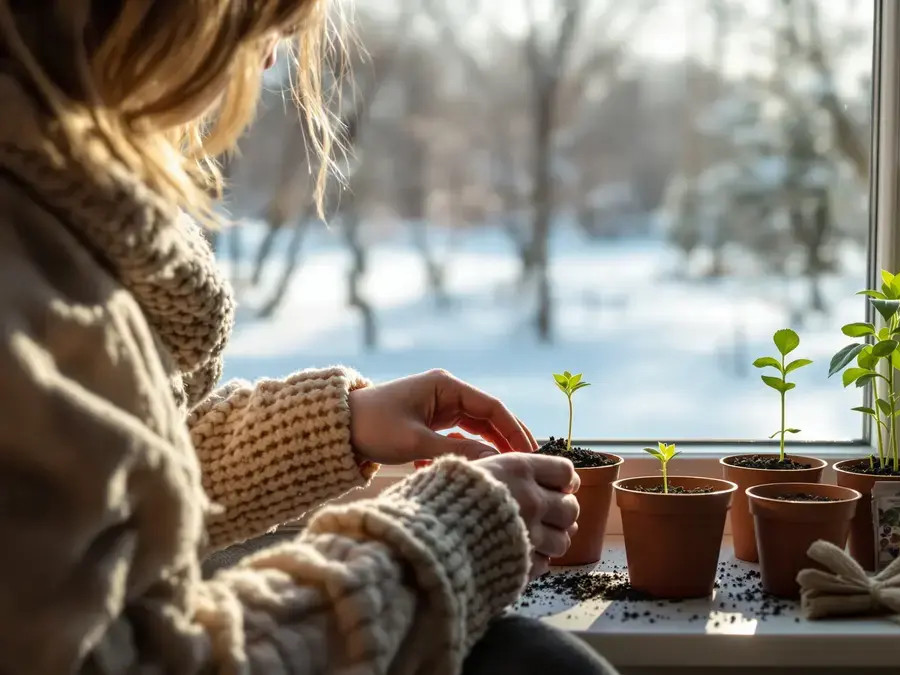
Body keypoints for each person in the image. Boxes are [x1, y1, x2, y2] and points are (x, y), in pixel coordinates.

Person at [0, 1, 617, 673]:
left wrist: (332, 427)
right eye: (258, 15)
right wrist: (440, 540)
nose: (270, 57)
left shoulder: (45, 231)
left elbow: (95, 504)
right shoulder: (27, 277)